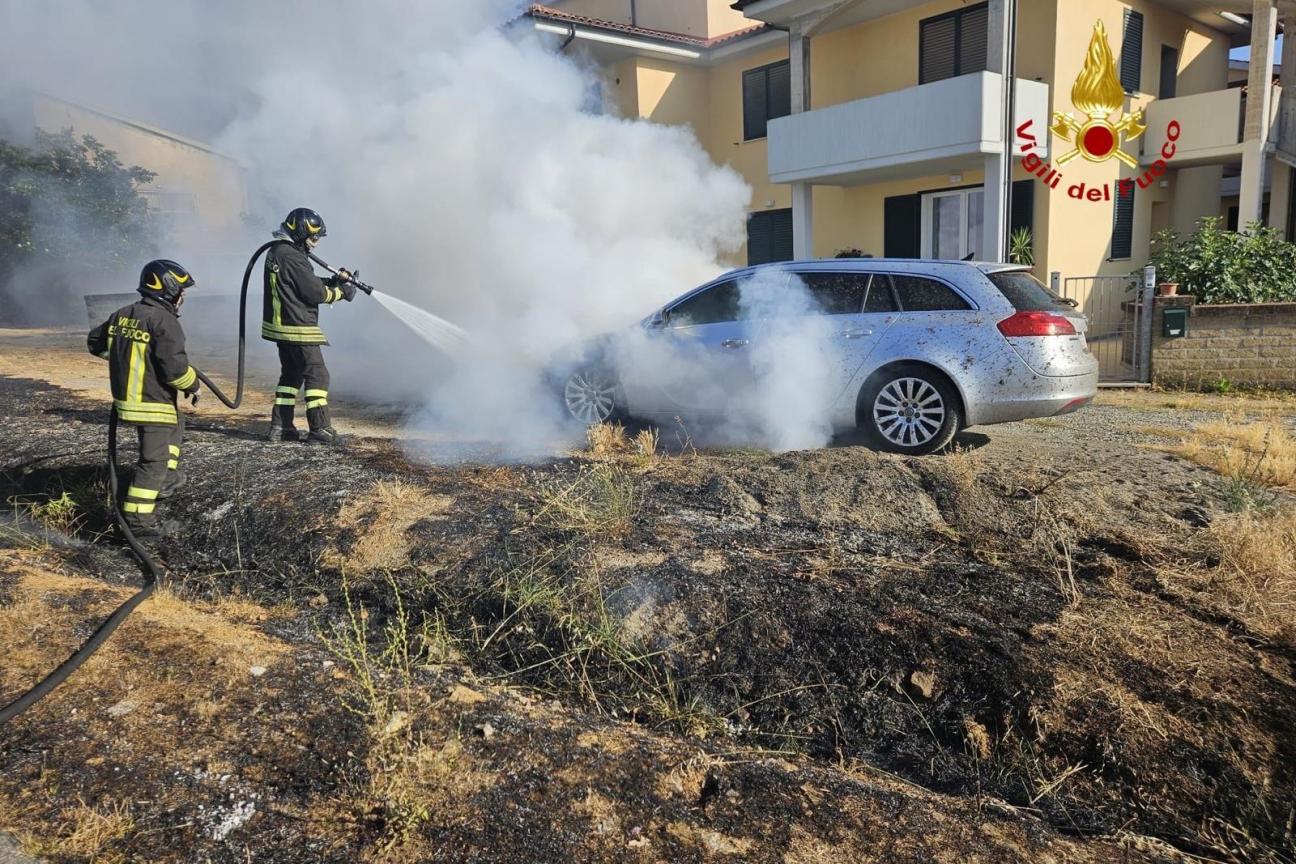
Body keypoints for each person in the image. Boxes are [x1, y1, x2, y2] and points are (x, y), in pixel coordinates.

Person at [87, 260, 200, 539]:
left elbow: (94, 343)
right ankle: (139, 522)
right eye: (181, 291)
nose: (183, 297)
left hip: (128, 401)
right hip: (153, 403)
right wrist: (193, 385)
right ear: (169, 290)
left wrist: (121, 360)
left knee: (178, 423)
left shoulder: (122, 314)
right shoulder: (165, 322)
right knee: (153, 461)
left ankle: (168, 478)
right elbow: (174, 370)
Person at [261, 207, 357, 444]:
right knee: (317, 374)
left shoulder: (280, 252)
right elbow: (313, 293)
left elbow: (302, 282)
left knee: (291, 375)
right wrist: (341, 293)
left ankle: (281, 427)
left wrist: (334, 281)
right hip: (298, 326)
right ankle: (320, 429)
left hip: (282, 327)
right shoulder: (292, 256)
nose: (315, 244)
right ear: (301, 233)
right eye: (313, 238)